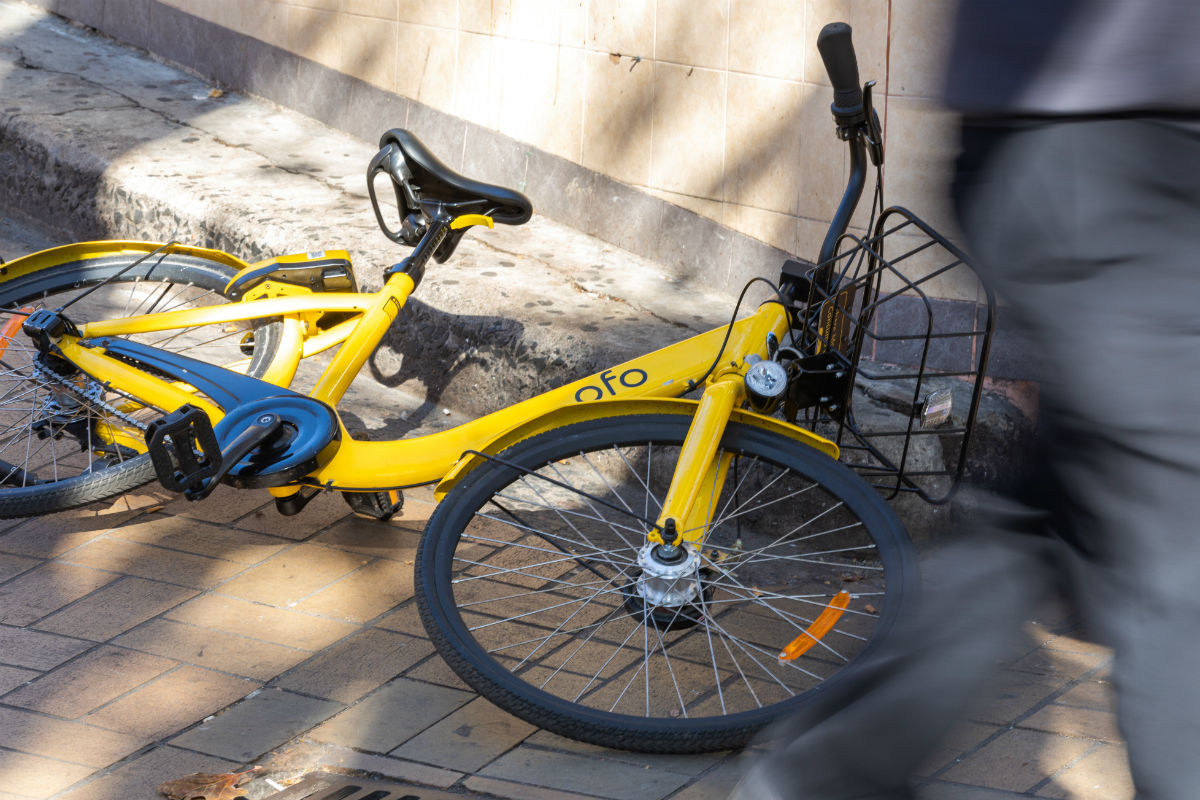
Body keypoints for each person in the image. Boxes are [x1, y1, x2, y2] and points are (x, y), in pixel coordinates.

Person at [733, 1, 1200, 797]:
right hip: (1124, 153)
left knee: (1056, 513)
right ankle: (820, 774)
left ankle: (822, 773)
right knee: (1175, 547)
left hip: (1066, 140)